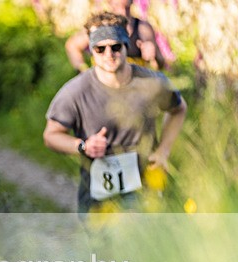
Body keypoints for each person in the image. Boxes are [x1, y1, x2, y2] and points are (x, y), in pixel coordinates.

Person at [44, 11, 186, 214]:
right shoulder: (75, 91)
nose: (109, 54)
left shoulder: (152, 83)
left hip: (146, 189)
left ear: (126, 45)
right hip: (98, 198)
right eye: (100, 49)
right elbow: (51, 135)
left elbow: (178, 109)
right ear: (91, 51)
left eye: (115, 47)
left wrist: (163, 151)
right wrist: (83, 146)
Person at [65, 0, 165, 72]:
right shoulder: (98, 27)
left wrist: (153, 53)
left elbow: (159, 64)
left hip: (135, 86)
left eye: (127, 8)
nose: (123, 13)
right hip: (106, 87)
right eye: (118, 6)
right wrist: (83, 70)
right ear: (110, 3)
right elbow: (72, 45)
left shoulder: (142, 27)